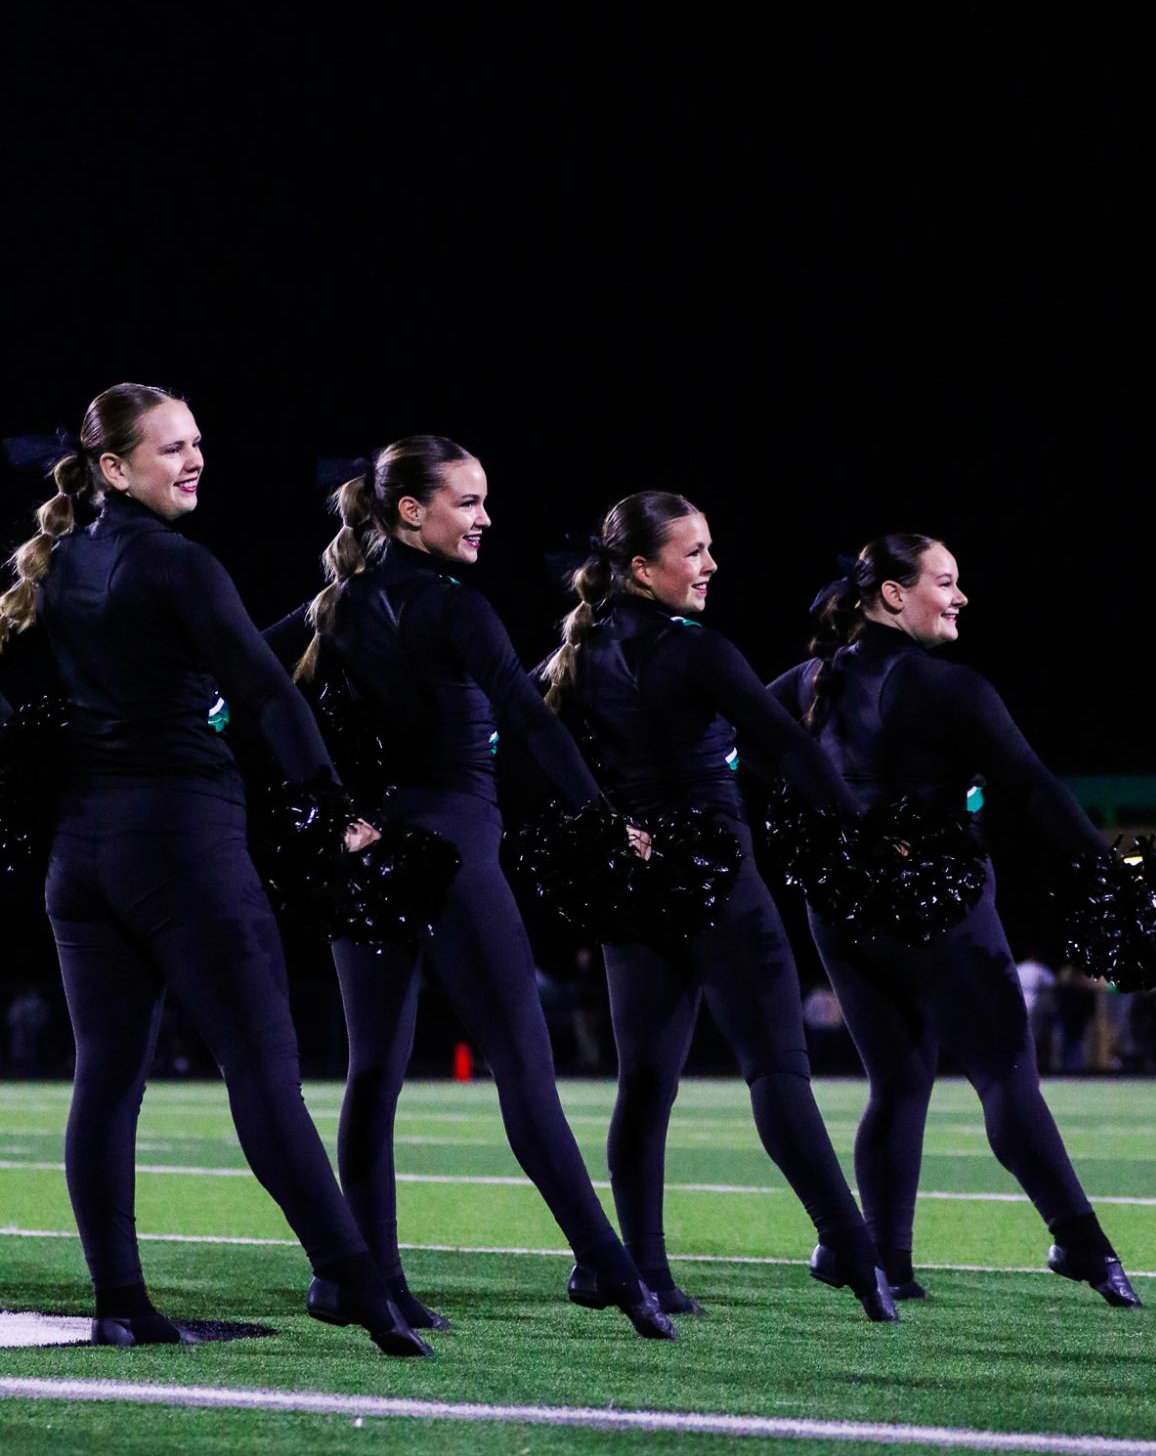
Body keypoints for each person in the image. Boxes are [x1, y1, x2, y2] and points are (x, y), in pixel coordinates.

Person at [0, 384, 431, 1354]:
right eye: (170, 448)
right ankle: (360, 1289)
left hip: (82, 858)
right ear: (113, 468)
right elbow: (271, 699)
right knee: (263, 1075)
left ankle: (123, 1303)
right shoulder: (181, 566)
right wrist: (336, 807)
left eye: (198, 441)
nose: (194, 459)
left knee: (105, 1081)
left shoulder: (57, 565)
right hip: (183, 849)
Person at [272, 437, 675, 1341]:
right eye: (467, 501)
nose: (485, 516)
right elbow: (530, 717)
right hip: (453, 845)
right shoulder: (456, 605)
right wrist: (604, 816)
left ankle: (364, 1280)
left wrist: (328, 806)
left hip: (371, 852)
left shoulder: (333, 605)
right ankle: (608, 1264)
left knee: (373, 1071)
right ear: (409, 511)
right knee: (522, 1066)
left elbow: (247, 690)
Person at [540, 491, 897, 1320]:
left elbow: (523, 735)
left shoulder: (577, 653)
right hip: (721, 886)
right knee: (776, 1068)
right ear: (641, 568)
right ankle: (853, 1249)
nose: (710, 566)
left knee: (646, 1083)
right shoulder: (693, 647)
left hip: (633, 892)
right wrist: (863, 831)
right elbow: (790, 745)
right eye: (693, 551)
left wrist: (599, 821)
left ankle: (645, 1272)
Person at [770, 532, 1141, 1307]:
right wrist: (1111, 873)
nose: (961, 595)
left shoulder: (806, 681)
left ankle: (880, 1258)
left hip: (840, 910)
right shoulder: (946, 687)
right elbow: (1034, 787)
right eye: (947, 580)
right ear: (895, 594)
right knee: (1005, 1072)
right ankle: (1082, 1242)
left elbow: (730, 748)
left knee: (898, 1081)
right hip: (939, 908)